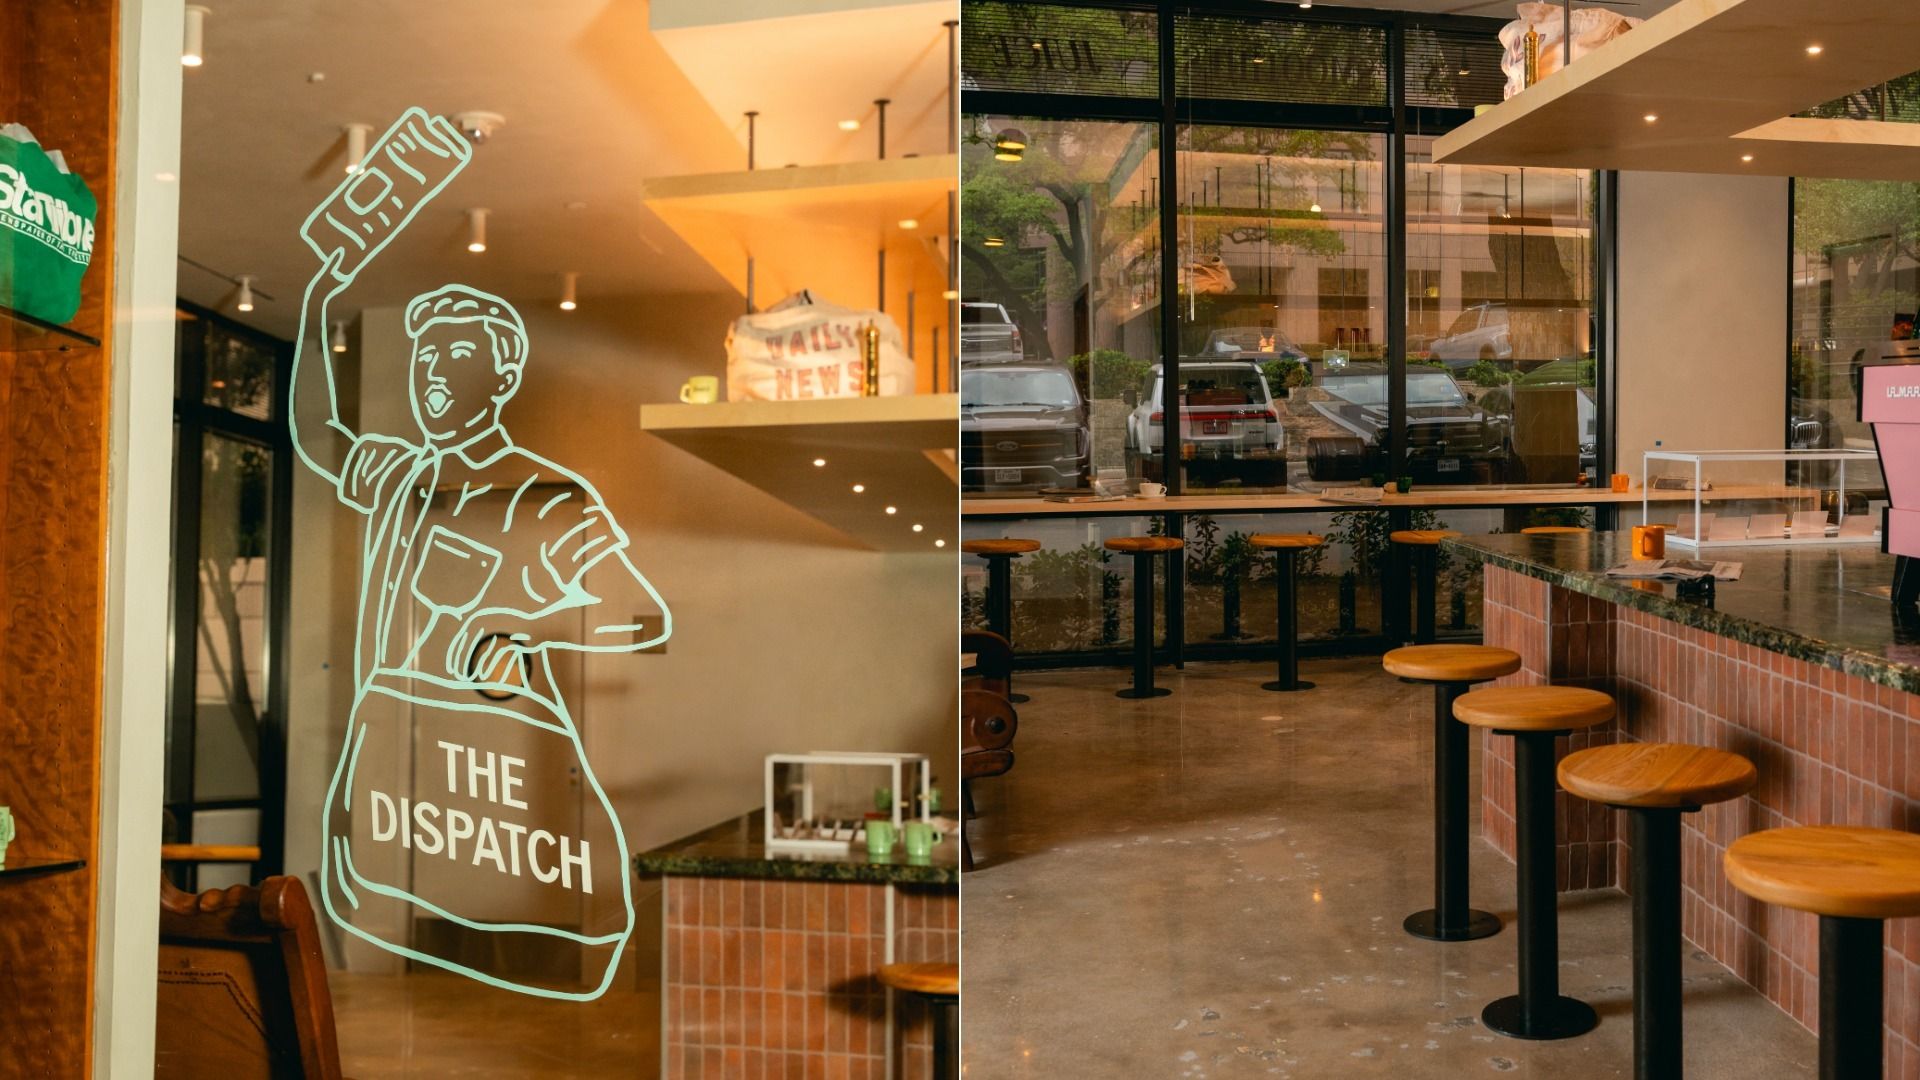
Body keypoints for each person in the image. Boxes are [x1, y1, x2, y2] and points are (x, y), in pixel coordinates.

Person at [288, 111, 666, 1001]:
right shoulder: (397, 475)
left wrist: (521, 630)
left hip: (503, 770)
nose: (431, 371)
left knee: (502, 962)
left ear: (500, 377)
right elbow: (315, 430)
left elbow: (647, 617)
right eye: (424, 354)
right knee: (392, 967)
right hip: (393, 763)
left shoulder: (547, 495)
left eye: (457, 354)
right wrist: (315, 302)